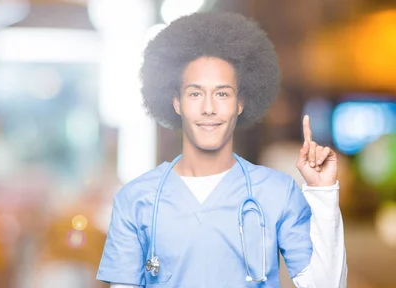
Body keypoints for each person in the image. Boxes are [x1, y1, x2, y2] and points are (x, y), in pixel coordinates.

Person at [96, 12, 347, 287]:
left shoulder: (277, 192)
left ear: (240, 103)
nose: (208, 108)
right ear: (176, 103)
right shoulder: (135, 200)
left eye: (222, 93)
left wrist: (323, 194)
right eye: (195, 93)